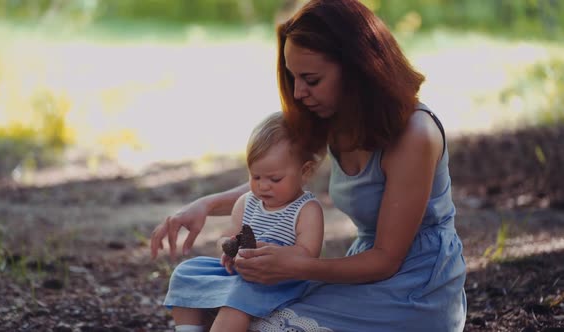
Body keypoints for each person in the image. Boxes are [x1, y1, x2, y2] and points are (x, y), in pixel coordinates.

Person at [151, 0, 467, 331]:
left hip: (416, 287)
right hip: (360, 269)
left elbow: (387, 260)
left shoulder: (415, 135)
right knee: (226, 302)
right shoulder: (335, 118)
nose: (299, 93)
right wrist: (205, 205)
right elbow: (279, 181)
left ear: (359, 69)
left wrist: (297, 266)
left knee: (257, 320)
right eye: (292, 78)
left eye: (311, 79)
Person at [162, 112, 325, 332]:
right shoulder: (245, 202)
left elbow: (309, 255)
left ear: (305, 172)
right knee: (187, 271)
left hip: (278, 279)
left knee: (237, 298)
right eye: (255, 177)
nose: (263, 186)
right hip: (241, 272)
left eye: (274, 179)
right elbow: (225, 237)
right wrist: (229, 248)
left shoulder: (307, 209)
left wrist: (276, 254)